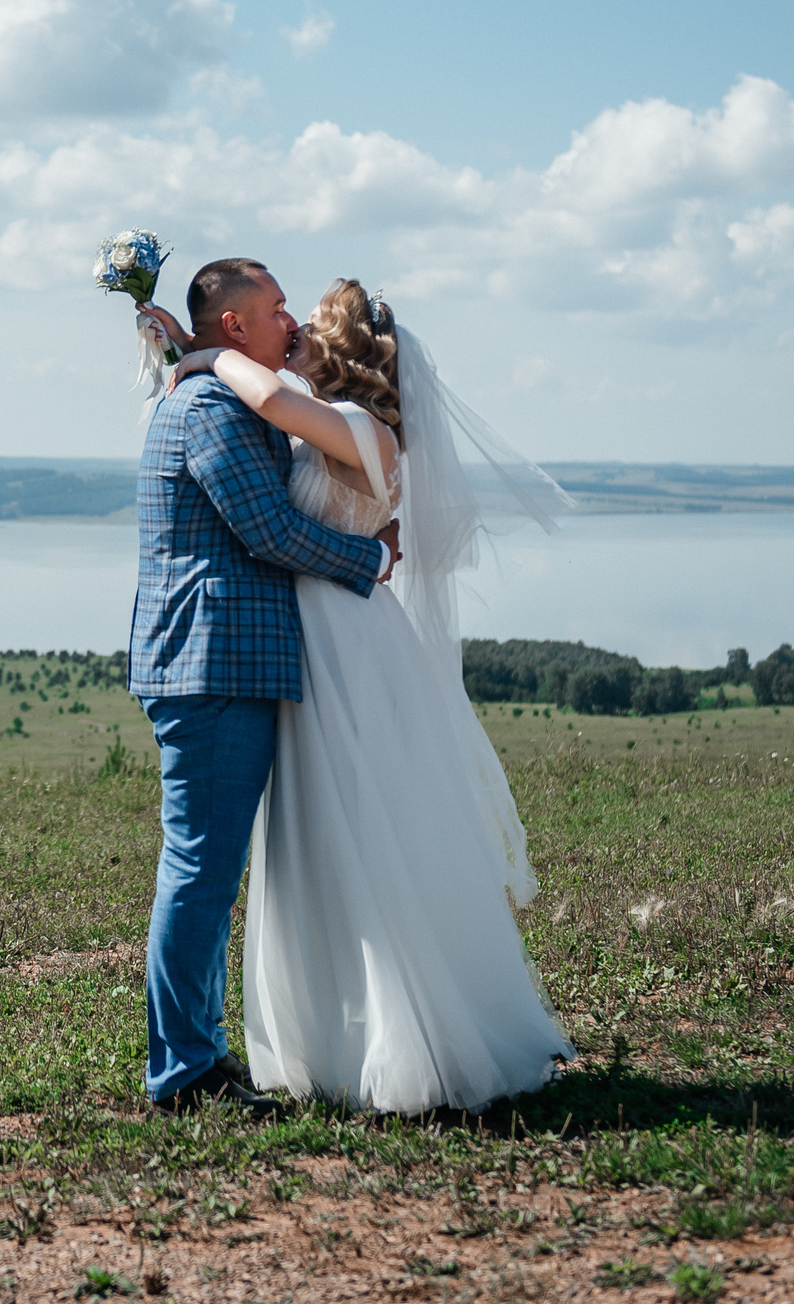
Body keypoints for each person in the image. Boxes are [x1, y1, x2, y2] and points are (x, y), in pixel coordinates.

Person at [147, 277, 574, 1114]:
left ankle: (373, 1037)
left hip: (338, 647)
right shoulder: (333, 424)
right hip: (316, 642)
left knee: (353, 835)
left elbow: (266, 416)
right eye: (281, 313)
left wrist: (198, 354)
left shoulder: (351, 425)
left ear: (345, 356)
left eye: (308, 320)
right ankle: (311, 1040)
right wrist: (185, 356)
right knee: (322, 842)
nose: (294, 323)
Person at [129, 258, 399, 1115]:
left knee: (210, 863)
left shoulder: (220, 392)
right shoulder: (208, 406)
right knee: (202, 863)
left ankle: (196, 1056)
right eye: (278, 309)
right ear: (237, 327)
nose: (291, 322)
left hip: (231, 662)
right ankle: (184, 1073)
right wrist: (374, 556)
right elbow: (267, 527)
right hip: (211, 664)